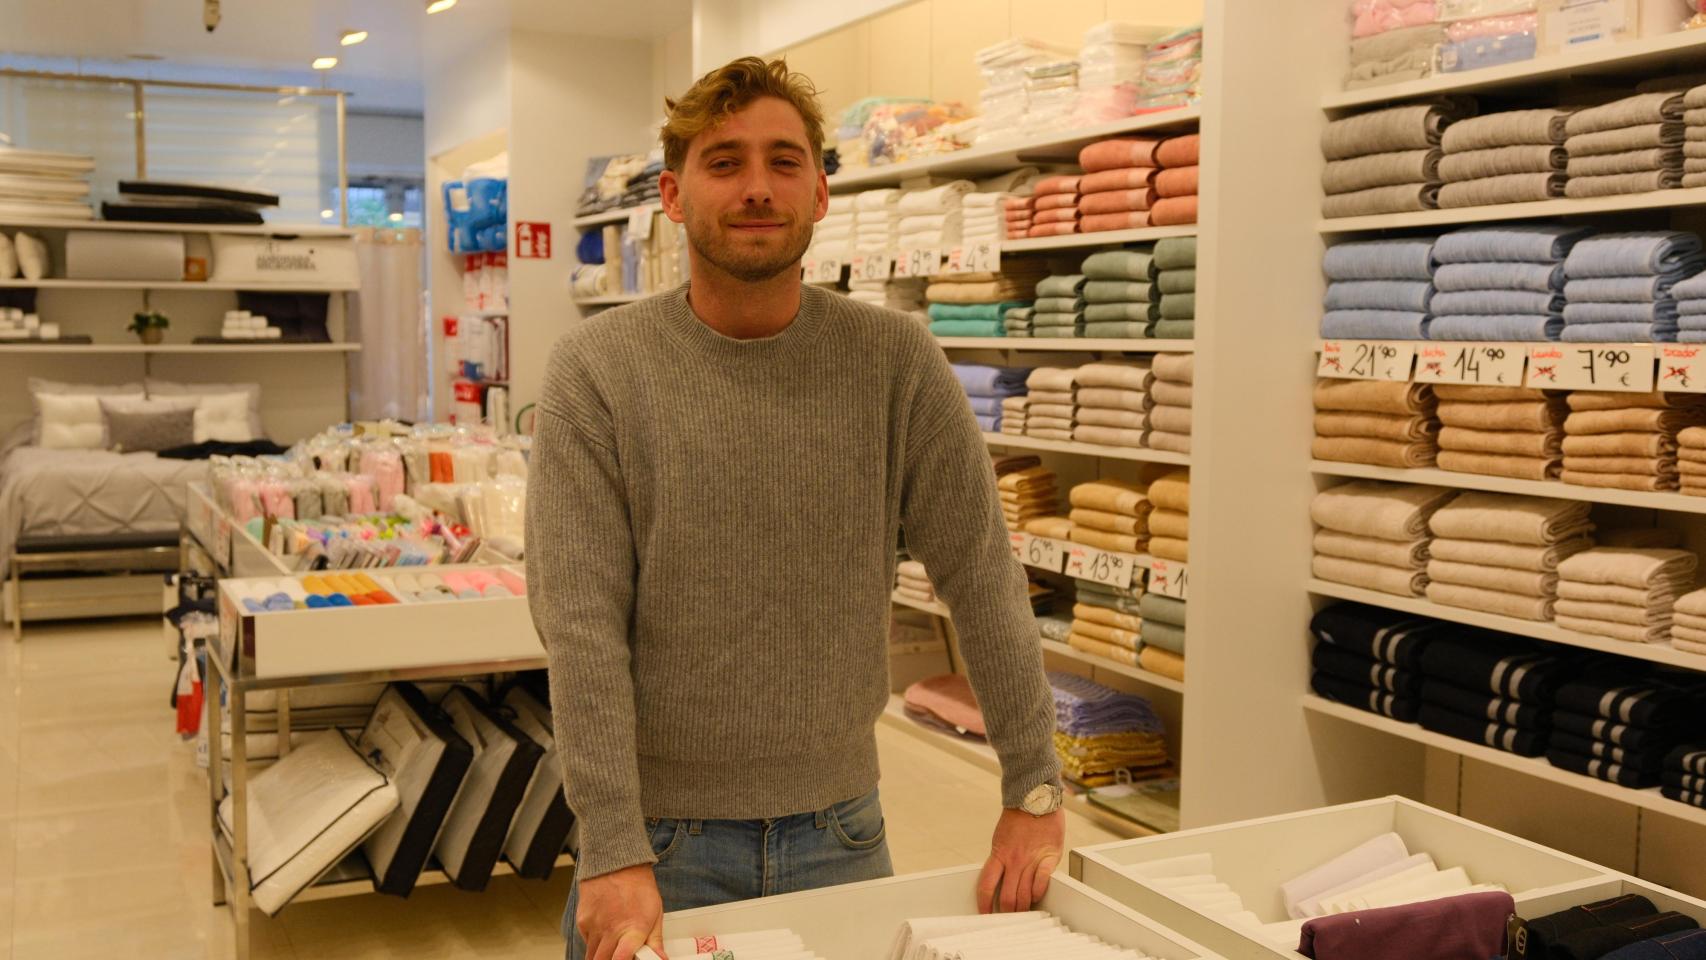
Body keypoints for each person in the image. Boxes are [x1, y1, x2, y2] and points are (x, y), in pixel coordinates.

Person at [526, 56, 1064, 960]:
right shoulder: (598, 371)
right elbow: (580, 629)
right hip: (659, 845)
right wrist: (611, 841)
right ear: (671, 192)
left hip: (844, 837)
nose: (757, 188)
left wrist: (1033, 789)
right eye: (724, 161)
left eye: (783, 161)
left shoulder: (895, 362)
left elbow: (981, 576)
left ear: (821, 189)